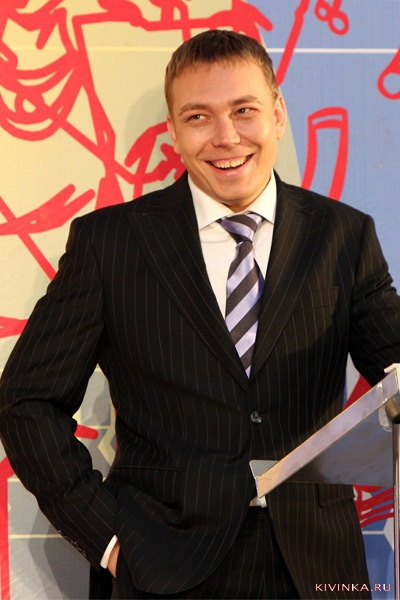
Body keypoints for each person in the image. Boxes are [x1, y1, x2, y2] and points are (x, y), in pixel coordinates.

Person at [1, 29, 399, 600]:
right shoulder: (110, 243)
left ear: (278, 114)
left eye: (244, 110)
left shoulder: (343, 236)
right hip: (160, 566)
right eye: (198, 117)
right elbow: (26, 401)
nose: (226, 136)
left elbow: (394, 370)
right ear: (173, 130)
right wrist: (109, 540)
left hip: (318, 566)